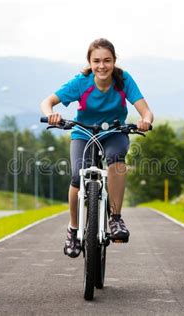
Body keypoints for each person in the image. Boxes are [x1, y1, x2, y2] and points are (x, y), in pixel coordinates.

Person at [40, 38, 153, 258]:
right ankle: (73, 229)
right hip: (83, 132)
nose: (102, 66)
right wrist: (50, 114)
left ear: (114, 61)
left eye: (107, 61)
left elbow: (145, 110)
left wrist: (145, 120)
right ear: (90, 63)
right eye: (97, 61)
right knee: (76, 176)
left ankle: (116, 218)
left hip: (114, 133)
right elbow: (47, 102)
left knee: (116, 159)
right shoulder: (81, 82)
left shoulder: (123, 80)